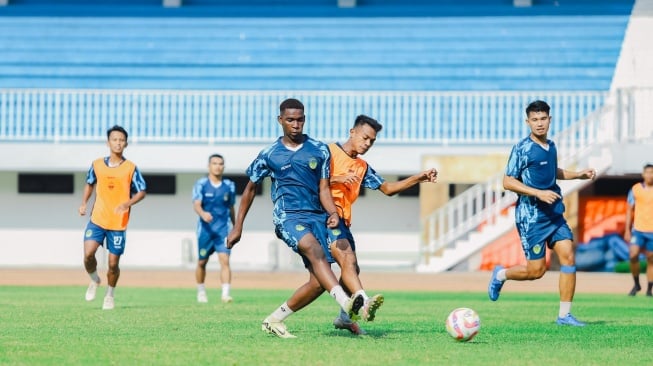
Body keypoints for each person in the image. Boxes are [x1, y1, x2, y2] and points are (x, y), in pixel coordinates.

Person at [270, 114, 438, 336]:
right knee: (347, 260)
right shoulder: (325, 152)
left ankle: (281, 319)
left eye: (372, 141)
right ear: (352, 132)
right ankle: (364, 302)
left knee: (322, 281)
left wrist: (419, 178)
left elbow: (387, 188)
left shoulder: (361, 167)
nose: (367, 144)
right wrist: (338, 179)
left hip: (342, 221)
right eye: (365, 138)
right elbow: (305, 179)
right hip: (323, 217)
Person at [227, 98, 375, 339]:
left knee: (318, 282)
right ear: (280, 121)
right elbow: (250, 190)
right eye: (290, 120)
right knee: (314, 250)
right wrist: (238, 227)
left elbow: (324, 188)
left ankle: (274, 320)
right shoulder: (269, 154)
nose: (295, 124)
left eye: (300, 119)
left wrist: (333, 214)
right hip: (288, 217)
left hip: (317, 216)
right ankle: (347, 303)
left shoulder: (319, 150)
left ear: (304, 119)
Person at [487, 100, 596, 326]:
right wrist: (538, 193)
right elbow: (508, 181)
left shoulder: (552, 146)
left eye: (543, 119)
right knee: (536, 271)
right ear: (527, 122)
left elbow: (551, 171)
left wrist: (578, 175)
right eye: (534, 120)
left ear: (550, 119)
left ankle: (564, 315)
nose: (539, 124)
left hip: (554, 214)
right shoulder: (522, 149)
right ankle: (500, 275)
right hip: (532, 218)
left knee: (568, 255)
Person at [78, 125, 147, 310]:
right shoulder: (97, 164)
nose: (118, 143)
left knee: (113, 264)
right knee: (88, 255)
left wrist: (127, 203)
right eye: (115, 139)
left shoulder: (131, 168)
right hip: (98, 219)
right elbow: (89, 183)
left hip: (118, 223)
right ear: (108, 142)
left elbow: (142, 192)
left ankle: (110, 295)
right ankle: (94, 280)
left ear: (126, 143)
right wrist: (84, 202)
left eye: (121, 140)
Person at [192, 154, 236, 303]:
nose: (218, 166)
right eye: (215, 163)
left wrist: (236, 226)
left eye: (221, 163)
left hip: (223, 230)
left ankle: (225, 294)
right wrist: (203, 214)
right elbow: (196, 204)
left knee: (225, 260)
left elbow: (231, 207)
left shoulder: (229, 185)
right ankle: (201, 291)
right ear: (209, 166)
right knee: (201, 262)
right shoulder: (201, 184)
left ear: (224, 166)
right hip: (205, 231)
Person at [624, 163, 653, 296]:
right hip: (638, 229)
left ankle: (649, 289)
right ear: (643, 174)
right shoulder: (635, 189)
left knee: (651, 259)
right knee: (633, 254)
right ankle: (636, 284)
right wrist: (627, 230)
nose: (650, 175)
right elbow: (629, 210)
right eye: (647, 172)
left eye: (652, 173)